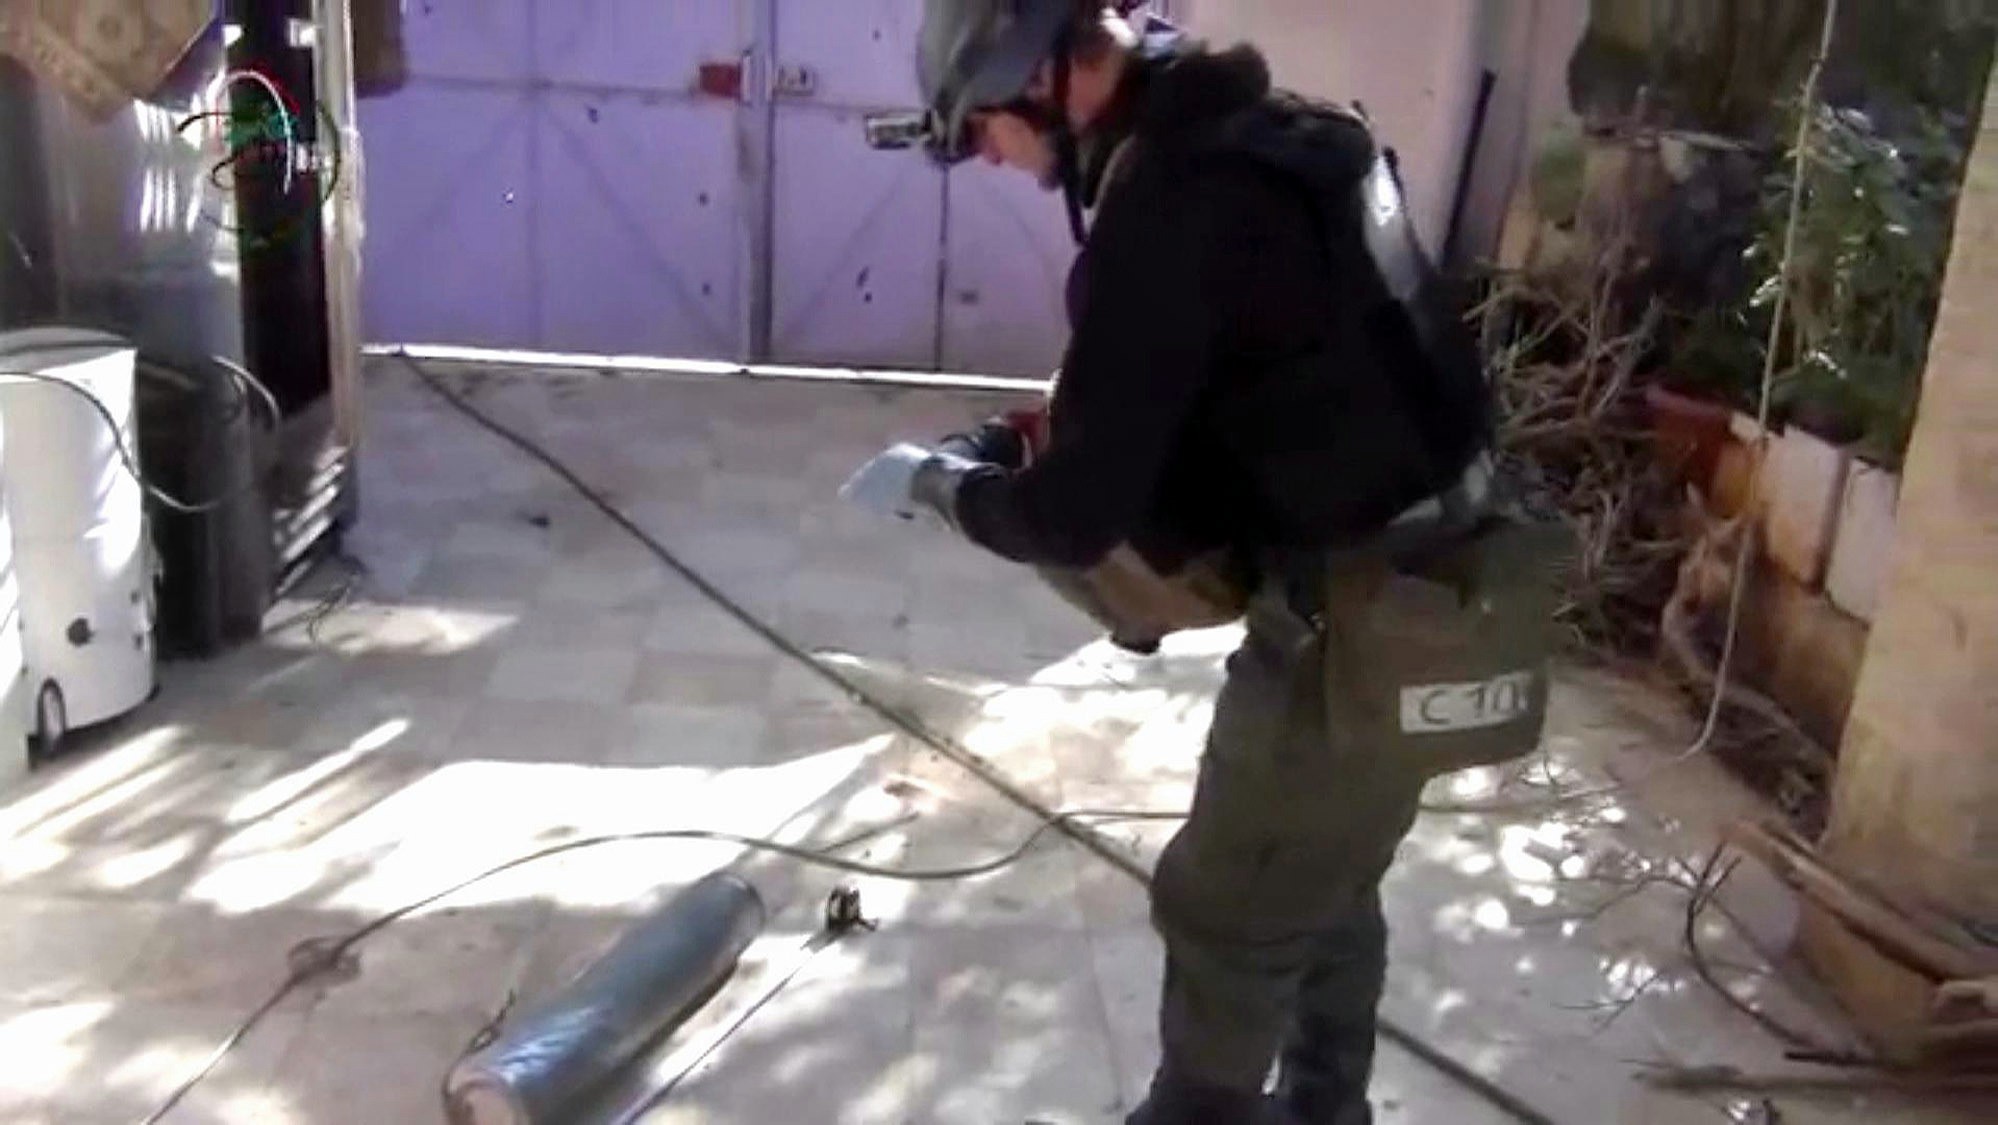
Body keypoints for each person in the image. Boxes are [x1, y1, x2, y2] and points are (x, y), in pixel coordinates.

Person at [849, 3, 1563, 1122]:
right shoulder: (1295, 134)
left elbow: (1076, 519)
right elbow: (1304, 363)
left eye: (983, 125)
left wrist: (948, 489)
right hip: (1462, 568)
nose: (989, 155)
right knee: (1329, 872)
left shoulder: (1171, 210)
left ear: (1045, 76)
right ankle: (1327, 1108)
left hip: (1360, 616)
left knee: (1230, 906)